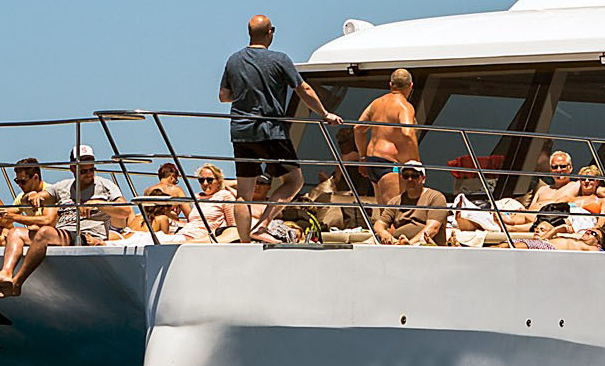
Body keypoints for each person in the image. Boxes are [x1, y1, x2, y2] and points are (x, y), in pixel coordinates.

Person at [219, 14, 345, 241]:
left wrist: (248, 92)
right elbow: (303, 90)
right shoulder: (280, 60)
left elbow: (224, 96)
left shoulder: (233, 60)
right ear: (270, 33)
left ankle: (245, 241)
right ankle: (262, 225)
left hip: (241, 130)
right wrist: (325, 114)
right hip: (271, 131)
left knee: (243, 194)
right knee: (294, 181)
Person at [0, 159, 60, 295]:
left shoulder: (49, 193)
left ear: (35, 177)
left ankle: (5, 271)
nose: (20, 185)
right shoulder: (23, 196)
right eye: (17, 182)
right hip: (30, 236)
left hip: (47, 237)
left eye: (23, 181)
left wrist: (15, 218)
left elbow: (48, 222)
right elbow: (13, 212)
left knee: (17, 232)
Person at [354, 69, 421, 207]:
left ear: (391, 85)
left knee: (384, 215)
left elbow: (358, 128)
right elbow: (408, 133)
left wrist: (362, 157)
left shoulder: (376, 103)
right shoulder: (404, 107)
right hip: (390, 165)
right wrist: (416, 164)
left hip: (372, 161)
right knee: (394, 215)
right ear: (411, 86)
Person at [375, 163, 452, 245]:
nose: (410, 179)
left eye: (414, 176)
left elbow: (432, 229)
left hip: (424, 245)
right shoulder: (395, 201)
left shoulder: (435, 198)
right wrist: (386, 235)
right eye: (405, 176)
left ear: (423, 178)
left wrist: (409, 244)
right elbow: (379, 224)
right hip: (397, 244)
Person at [141, 162, 193, 234]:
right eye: (176, 180)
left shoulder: (148, 190)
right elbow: (190, 215)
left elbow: (146, 213)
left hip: (151, 225)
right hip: (169, 226)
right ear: (172, 176)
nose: (175, 182)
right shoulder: (177, 190)